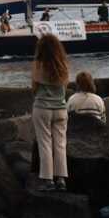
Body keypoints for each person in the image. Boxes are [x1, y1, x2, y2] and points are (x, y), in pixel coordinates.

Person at [31, 34, 70, 192]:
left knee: (45, 143)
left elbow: (34, 88)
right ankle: (61, 179)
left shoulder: (38, 65)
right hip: (61, 109)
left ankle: (48, 180)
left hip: (42, 108)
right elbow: (65, 87)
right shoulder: (63, 65)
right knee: (60, 144)